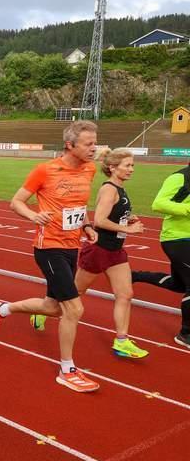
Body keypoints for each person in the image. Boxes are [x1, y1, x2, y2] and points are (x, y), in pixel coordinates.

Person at [0, 121, 100, 393]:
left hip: (73, 246)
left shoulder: (90, 169)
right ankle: (67, 369)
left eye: (95, 143)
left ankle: (1, 309)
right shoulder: (45, 170)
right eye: (88, 144)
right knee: (74, 308)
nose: (94, 148)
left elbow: (78, 207)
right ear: (70, 145)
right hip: (48, 246)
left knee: (52, 307)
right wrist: (34, 216)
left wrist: (86, 226)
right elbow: (16, 202)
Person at [72, 148, 147, 358]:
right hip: (99, 249)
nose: (131, 169)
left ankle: (121, 341)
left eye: (132, 165)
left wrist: (127, 219)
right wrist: (128, 229)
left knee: (125, 294)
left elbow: (112, 215)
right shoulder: (109, 189)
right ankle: (43, 312)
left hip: (115, 251)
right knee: (74, 293)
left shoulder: (120, 188)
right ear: (113, 168)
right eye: (127, 165)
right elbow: (99, 221)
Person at [131, 160, 190, 350]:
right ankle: (186, 334)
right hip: (176, 237)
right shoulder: (180, 177)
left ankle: (136, 276)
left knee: (179, 284)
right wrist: (187, 209)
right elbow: (158, 204)